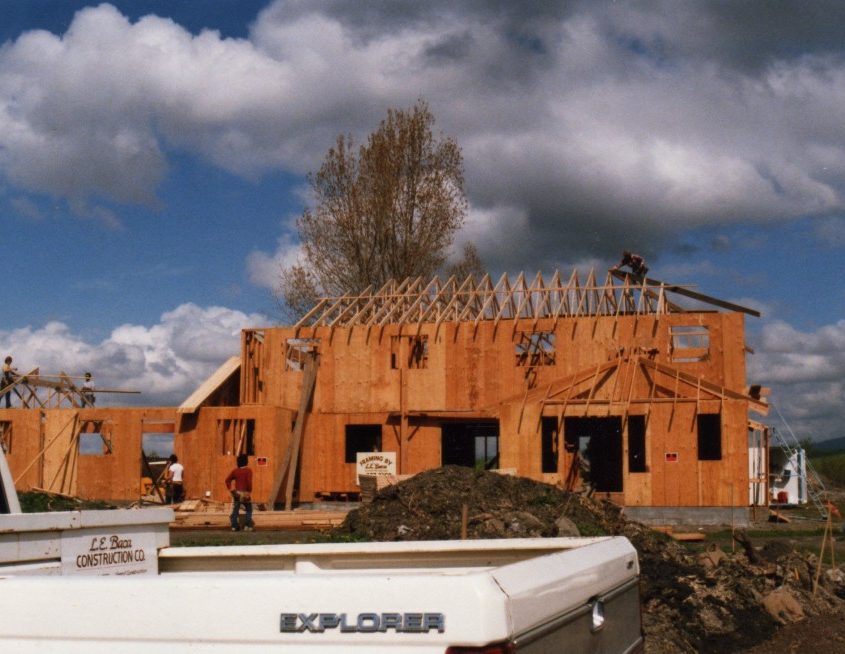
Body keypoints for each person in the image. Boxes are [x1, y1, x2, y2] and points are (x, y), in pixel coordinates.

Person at [225, 454, 254, 532]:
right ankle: (247, 526)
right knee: (249, 509)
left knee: (235, 510)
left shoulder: (235, 471)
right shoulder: (248, 471)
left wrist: (231, 489)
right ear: (246, 461)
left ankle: (234, 526)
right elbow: (249, 482)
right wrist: (249, 492)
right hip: (245, 493)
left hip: (237, 493)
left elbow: (227, 480)